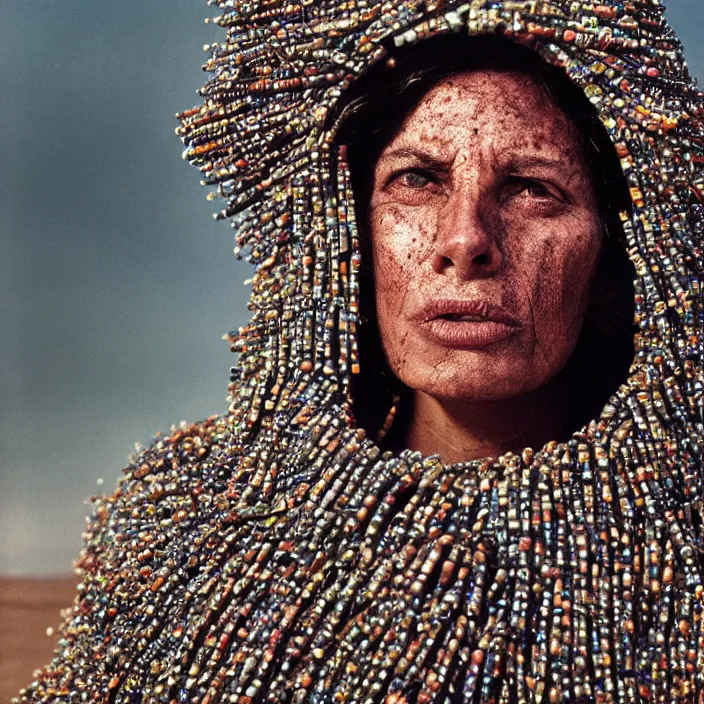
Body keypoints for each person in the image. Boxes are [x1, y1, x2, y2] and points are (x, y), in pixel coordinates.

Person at [16, 1, 704, 702]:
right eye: (417, 180)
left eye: (532, 189)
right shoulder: (187, 527)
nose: (465, 240)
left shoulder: (683, 554)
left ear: (620, 261)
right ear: (347, 235)